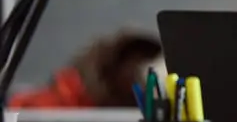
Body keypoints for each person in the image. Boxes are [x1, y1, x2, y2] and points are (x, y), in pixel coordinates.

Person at [9, 31, 165, 108]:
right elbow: (20, 108)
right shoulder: (69, 92)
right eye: (133, 61)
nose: (135, 70)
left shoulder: (145, 107)